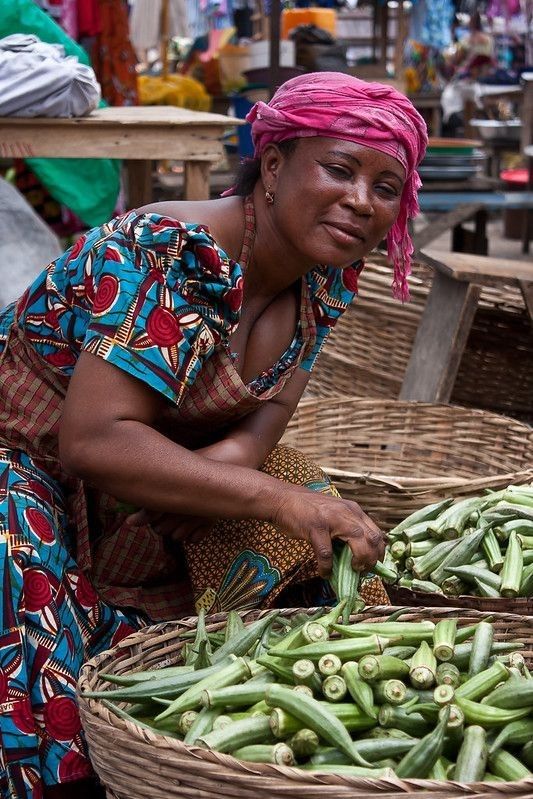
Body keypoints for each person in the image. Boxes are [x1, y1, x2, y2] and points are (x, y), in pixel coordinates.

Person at [0, 71, 427, 798]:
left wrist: (217, 485)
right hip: (28, 458)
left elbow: (263, 425)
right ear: (272, 163)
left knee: (321, 554)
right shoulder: (172, 251)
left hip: (143, 466)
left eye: (386, 187)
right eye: (339, 168)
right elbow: (95, 440)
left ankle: (288, 756)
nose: (361, 201)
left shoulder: (327, 273)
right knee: (40, 629)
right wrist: (265, 498)